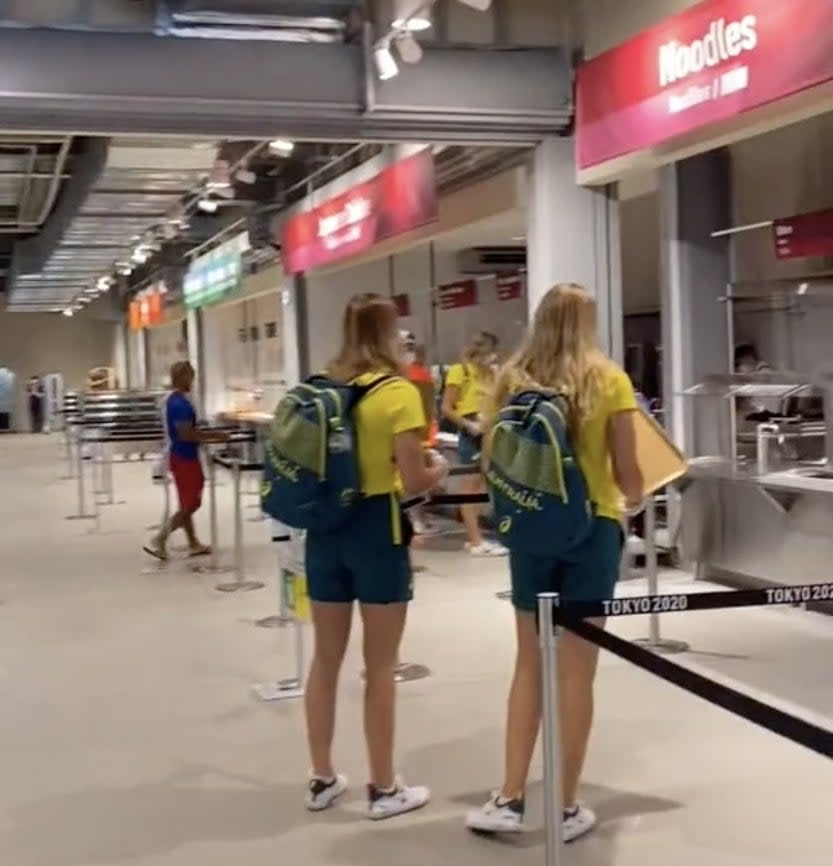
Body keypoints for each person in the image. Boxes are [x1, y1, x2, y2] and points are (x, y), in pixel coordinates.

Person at [466, 284, 643, 841]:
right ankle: (565, 805)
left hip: (530, 534)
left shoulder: (511, 378)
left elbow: (493, 459)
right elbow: (630, 475)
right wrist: (629, 501)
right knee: (576, 670)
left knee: (528, 665)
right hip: (591, 534)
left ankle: (510, 796)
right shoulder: (607, 380)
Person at [303, 294, 448, 820]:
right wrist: (440, 471)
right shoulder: (398, 392)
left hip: (324, 531)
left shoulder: (325, 385)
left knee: (324, 659)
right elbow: (412, 480)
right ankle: (383, 788)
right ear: (390, 333)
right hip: (376, 529)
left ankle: (321, 778)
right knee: (380, 667)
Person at [143, 361, 228, 561]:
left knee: (185, 501)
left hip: (177, 455)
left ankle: (193, 543)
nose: (193, 381)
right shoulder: (180, 404)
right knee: (192, 503)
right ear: (182, 377)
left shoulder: (171, 400)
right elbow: (186, 434)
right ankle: (160, 537)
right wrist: (216, 436)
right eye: (191, 377)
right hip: (185, 457)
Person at [441, 331, 506, 556]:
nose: (493, 357)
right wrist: (468, 425)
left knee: (483, 487)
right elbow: (447, 408)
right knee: (470, 489)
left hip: (488, 431)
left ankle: (479, 536)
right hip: (471, 432)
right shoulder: (461, 372)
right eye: (490, 353)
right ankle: (475, 540)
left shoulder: (490, 375)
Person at [402, 333, 440, 535]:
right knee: (414, 480)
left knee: (414, 480)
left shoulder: (418, 375)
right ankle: (416, 518)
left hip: (419, 432)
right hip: (415, 433)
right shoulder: (413, 376)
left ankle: (417, 517)